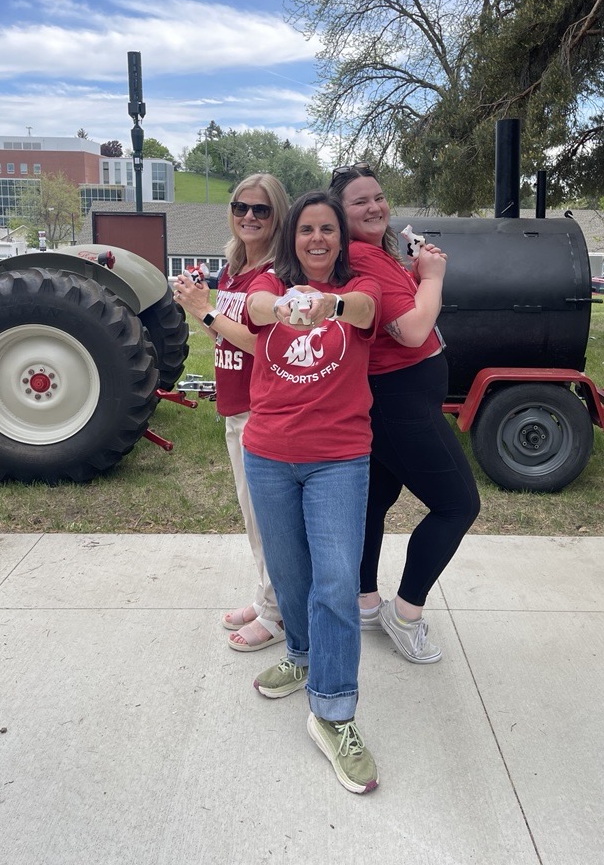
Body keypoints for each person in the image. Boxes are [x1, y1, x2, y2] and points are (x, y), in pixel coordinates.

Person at [242, 191, 381, 795]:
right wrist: (287, 306)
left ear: (340, 238)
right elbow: (259, 307)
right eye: (306, 230)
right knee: (291, 574)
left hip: (338, 459)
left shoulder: (359, 286)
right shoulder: (269, 283)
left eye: (328, 229)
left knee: (334, 580)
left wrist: (331, 303)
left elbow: (367, 311)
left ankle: (333, 712)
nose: (317, 238)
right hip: (269, 452)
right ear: (293, 238)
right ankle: (302, 654)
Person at [329, 163, 481, 665]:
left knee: (377, 496)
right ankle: (405, 612)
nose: (374, 207)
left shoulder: (375, 252)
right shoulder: (360, 259)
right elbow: (412, 331)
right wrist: (433, 278)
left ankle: (363, 599)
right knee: (458, 505)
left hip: (390, 399)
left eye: (379, 196)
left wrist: (415, 273)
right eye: (359, 202)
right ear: (340, 212)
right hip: (398, 403)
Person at [173, 173, 290, 651]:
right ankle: (268, 599)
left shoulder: (274, 275)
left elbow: (266, 347)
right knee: (252, 515)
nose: (248, 216)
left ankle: (277, 614)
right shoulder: (238, 269)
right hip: (235, 405)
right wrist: (198, 307)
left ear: (277, 215)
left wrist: (205, 311)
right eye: (241, 207)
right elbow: (225, 336)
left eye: (261, 210)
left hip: (260, 409)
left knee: (264, 519)